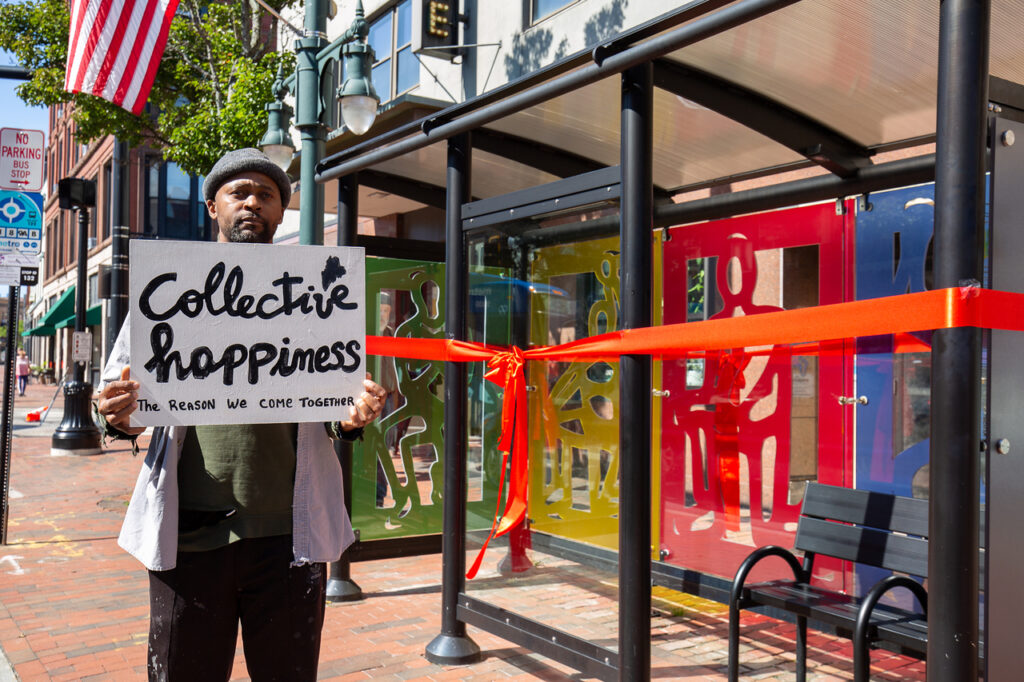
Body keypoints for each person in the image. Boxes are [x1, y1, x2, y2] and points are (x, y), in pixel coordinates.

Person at [95, 148, 386, 682]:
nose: (252, 202)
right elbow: (120, 403)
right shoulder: (170, 286)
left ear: (281, 212)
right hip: (191, 536)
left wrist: (353, 415)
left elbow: (335, 407)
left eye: (266, 195)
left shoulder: (317, 293)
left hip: (289, 540)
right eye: (239, 193)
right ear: (213, 207)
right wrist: (116, 412)